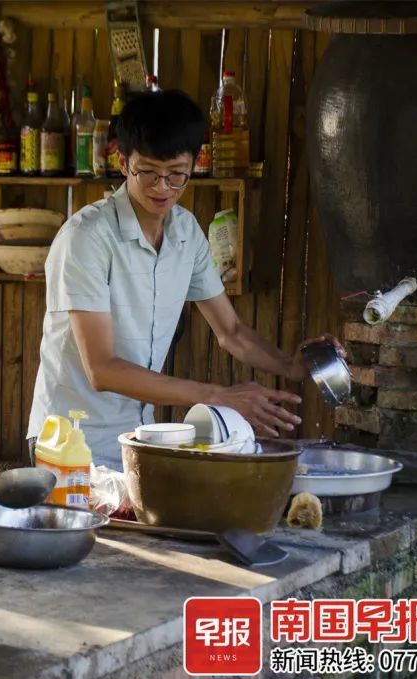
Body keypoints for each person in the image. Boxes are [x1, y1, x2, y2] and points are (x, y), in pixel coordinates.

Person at [27, 89, 340, 469]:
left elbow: (232, 332)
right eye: (148, 173)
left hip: (139, 436)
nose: (162, 188)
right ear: (123, 163)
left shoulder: (185, 233)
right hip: (68, 441)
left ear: (194, 164)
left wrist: (290, 366)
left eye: (176, 175)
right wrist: (217, 395)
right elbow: (102, 369)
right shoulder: (86, 237)